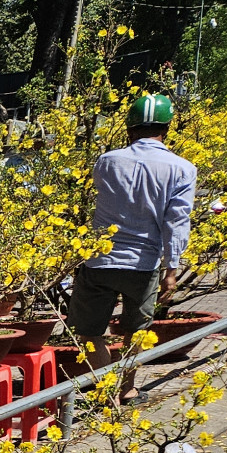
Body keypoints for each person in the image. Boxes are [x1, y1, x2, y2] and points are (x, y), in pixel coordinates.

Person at [71, 94, 196, 364]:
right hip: (144, 263)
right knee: (135, 332)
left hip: (100, 261)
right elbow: (176, 221)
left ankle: (108, 387)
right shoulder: (183, 168)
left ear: (129, 129)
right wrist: (171, 269)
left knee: (88, 333)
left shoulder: (107, 161)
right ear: (167, 129)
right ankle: (127, 388)